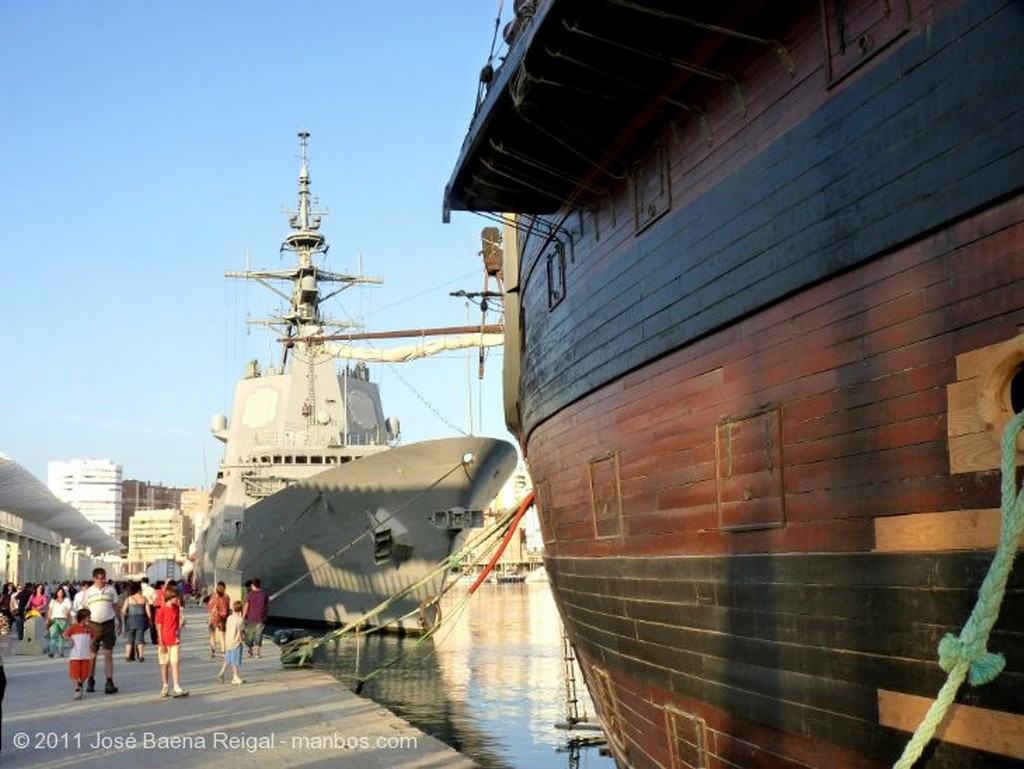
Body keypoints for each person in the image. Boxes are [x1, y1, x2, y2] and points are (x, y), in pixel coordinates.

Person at [82, 567, 122, 694]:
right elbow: (84, 610)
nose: (101, 580)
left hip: (108, 624)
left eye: (103, 578)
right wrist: (83, 625)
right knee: (92, 655)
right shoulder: (88, 592)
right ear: (94, 579)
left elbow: (116, 606)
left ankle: (109, 681)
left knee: (108, 654)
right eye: (98, 578)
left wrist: (120, 621)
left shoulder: (110, 590)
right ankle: (90, 679)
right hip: (93, 625)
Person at [155, 584, 188, 698]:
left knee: (175, 663)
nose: (177, 599)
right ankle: (165, 685)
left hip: (175, 640)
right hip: (164, 640)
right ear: (169, 598)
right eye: (175, 597)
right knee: (164, 664)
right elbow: (159, 626)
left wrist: (182, 623)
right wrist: (161, 641)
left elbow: (178, 623)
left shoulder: (177, 608)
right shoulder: (162, 610)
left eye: (177, 597)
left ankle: (176, 686)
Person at [64, 608, 97, 699]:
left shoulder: (88, 629)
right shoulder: (74, 627)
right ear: (83, 617)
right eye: (88, 616)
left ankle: (80, 683)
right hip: (75, 655)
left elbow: (95, 635)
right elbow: (65, 634)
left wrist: (91, 641)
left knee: (85, 673)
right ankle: (77, 689)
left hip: (85, 655)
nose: (90, 618)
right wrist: (70, 640)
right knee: (75, 673)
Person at [121, 581, 151, 663]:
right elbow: (148, 612)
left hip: (130, 621)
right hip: (141, 620)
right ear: (139, 590)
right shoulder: (144, 598)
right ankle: (141, 656)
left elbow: (123, 611)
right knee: (140, 639)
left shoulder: (129, 599)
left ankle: (127, 656)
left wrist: (127, 616)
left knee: (130, 639)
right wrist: (149, 620)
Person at [218, 599, 246, 685]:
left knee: (228, 657)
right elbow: (242, 631)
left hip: (228, 640)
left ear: (233, 609)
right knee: (235, 661)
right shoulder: (240, 620)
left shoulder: (229, 618)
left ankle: (222, 671)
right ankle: (235, 677)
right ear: (241, 610)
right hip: (236, 642)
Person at [242, 578, 269, 658]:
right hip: (261, 618)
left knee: (249, 635)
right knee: (259, 635)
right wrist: (265, 615)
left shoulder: (249, 594)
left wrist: (243, 616)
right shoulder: (264, 594)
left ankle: (250, 652)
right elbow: (267, 606)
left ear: (252, 585)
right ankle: (257, 653)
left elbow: (246, 606)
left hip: (250, 617)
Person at [45, 586, 73, 658]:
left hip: (63, 620)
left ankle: (61, 652)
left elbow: (69, 608)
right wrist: (48, 619)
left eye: (61, 592)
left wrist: (67, 615)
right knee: (53, 635)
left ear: (63, 593)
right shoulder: (53, 601)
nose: (60, 593)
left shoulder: (66, 600)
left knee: (61, 637)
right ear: (56, 593)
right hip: (54, 620)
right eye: (59, 592)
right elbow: (50, 610)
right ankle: (52, 652)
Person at [206, 582, 230, 659]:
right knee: (222, 636)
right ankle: (223, 652)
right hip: (222, 619)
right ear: (224, 588)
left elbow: (208, 608)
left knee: (212, 635)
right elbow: (228, 607)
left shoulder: (213, 597)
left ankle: (213, 650)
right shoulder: (226, 597)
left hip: (213, 618)